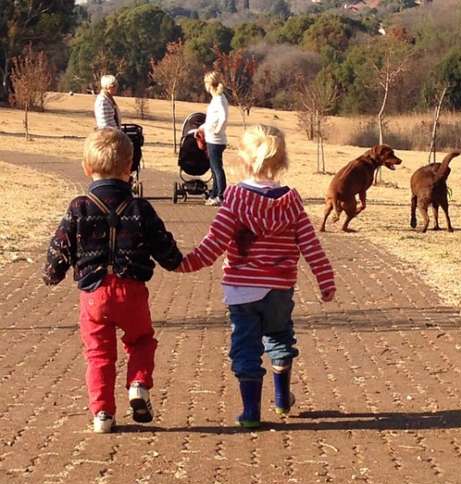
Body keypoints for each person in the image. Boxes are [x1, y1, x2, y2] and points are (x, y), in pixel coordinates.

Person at [177, 125, 336, 428]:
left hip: (242, 290)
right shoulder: (292, 200)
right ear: (281, 161)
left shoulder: (235, 198)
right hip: (279, 288)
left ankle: (251, 411)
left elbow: (214, 243)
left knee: (246, 347)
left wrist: (186, 263)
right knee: (279, 338)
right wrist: (325, 279)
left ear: (244, 160)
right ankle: (280, 399)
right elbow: (310, 244)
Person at [43, 128, 182, 433]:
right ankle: (138, 384)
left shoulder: (79, 207)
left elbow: (61, 245)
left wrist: (52, 273)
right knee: (142, 340)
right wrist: (176, 261)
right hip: (131, 290)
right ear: (130, 167)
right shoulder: (139, 208)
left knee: (99, 355)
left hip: (93, 294)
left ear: (85, 167)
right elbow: (163, 245)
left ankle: (103, 413)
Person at [200, 71, 229, 206]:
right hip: (211, 138)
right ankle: (214, 193)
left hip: (216, 140)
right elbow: (211, 119)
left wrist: (217, 131)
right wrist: (201, 128)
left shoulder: (219, 99)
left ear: (209, 84)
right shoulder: (215, 98)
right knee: (214, 167)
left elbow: (223, 118)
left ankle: (221, 195)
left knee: (217, 168)